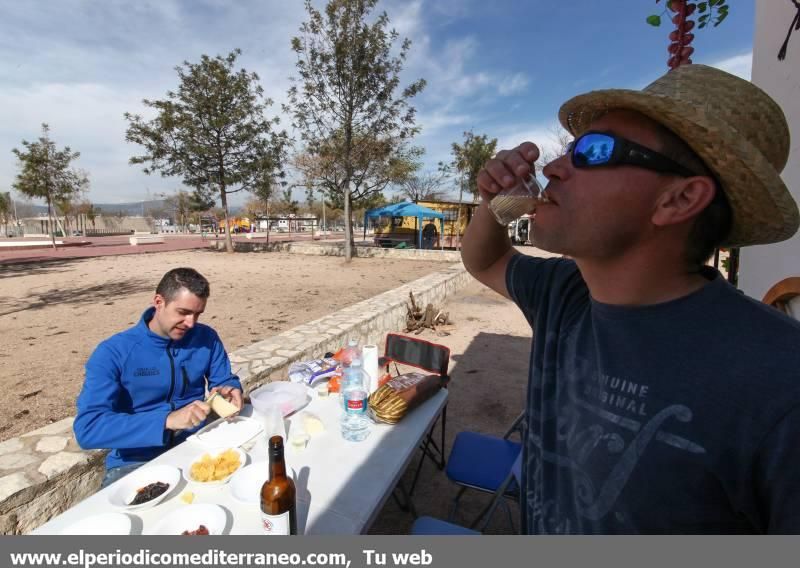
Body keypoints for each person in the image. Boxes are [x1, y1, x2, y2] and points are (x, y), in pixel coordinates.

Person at [461, 64, 800, 534]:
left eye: (593, 151)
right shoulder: (566, 294)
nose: (555, 168)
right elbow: (484, 260)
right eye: (567, 150)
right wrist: (492, 202)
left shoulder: (780, 383)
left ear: (679, 200)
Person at [74, 267, 243, 487]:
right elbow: (89, 428)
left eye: (198, 314)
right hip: (135, 463)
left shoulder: (206, 338)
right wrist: (166, 421)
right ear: (158, 302)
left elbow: (223, 381)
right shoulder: (113, 353)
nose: (191, 323)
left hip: (197, 448)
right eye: (183, 312)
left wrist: (230, 389)